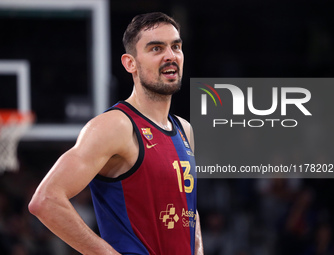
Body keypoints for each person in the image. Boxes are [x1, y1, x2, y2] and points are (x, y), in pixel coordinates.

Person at [29, 12, 204, 255]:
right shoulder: (115, 126)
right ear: (130, 63)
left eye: (176, 46)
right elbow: (46, 200)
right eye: (156, 48)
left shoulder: (185, 130)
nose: (170, 56)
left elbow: (188, 209)